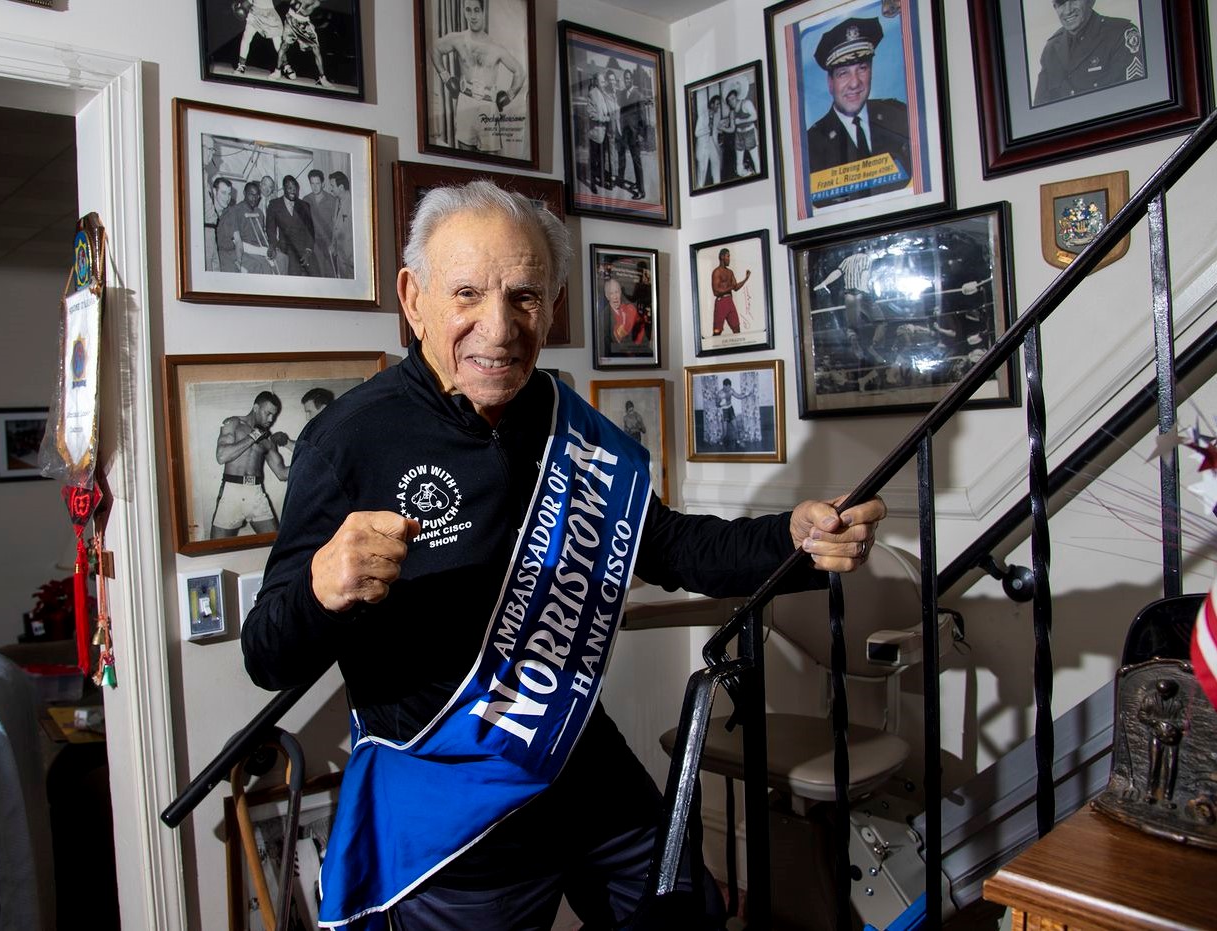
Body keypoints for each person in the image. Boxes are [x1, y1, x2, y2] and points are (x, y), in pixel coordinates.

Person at [240, 180, 886, 930]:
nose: (499, 327)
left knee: (687, 911)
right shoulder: (347, 440)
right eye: (467, 293)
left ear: (551, 307)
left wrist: (792, 540)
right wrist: (320, 591)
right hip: (453, 804)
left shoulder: (565, 421)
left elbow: (670, 545)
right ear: (414, 299)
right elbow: (267, 655)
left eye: (524, 296)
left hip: (579, 757)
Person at [805, 17, 913, 206]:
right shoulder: (811, 143)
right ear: (830, 83)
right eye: (843, 73)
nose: (855, 83)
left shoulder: (898, 114)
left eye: (862, 68)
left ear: (871, 71)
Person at [429, 0, 526, 154]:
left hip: (488, 106)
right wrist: (446, 78)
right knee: (465, 155)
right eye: (468, 10)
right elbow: (434, 48)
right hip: (465, 102)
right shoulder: (457, 39)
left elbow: (520, 72)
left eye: (476, 10)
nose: (472, 15)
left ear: (482, 12)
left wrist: (509, 96)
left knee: (491, 159)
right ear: (464, 11)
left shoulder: (496, 47)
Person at [1032, 0, 1145, 105]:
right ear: (1055, 7)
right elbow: (1041, 109)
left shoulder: (1120, 34)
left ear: (1090, 1)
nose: (1068, 10)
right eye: (1061, 3)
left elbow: (1131, 98)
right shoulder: (1051, 49)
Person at [210, 391, 290, 539]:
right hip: (231, 492)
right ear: (256, 408)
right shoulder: (233, 423)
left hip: (256, 493)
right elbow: (221, 456)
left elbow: (282, 473)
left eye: (274, 415)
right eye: (268, 413)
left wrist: (306, 464)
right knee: (216, 547)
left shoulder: (268, 439)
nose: (271, 419)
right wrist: (253, 436)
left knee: (276, 544)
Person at [266, 174, 321, 277]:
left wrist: (308, 251)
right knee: (294, 273)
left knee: (316, 275)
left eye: (295, 189)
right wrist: (272, 246)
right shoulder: (274, 205)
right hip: (287, 248)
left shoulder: (304, 206)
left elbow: (310, 231)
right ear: (284, 188)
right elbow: (270, 230)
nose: (293, 191)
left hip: (304, 249)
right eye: (289, 188)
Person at [222, 181, 276, 274]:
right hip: (245, 248)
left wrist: (269, 247)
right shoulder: (235, 210)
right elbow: (233, 240)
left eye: (257, 195)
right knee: (263, 265)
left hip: (258, 247)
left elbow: (262, 237)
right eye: (251, 194)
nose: (254, 198)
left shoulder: (259, 213)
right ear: (244, 193)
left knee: (283, 259)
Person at [276, 0, 332, 87]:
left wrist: (298, 6)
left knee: (315, 47)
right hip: (291, 19)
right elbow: (293, 5)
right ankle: (277, 71)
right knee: (284, 45)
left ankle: (322, 78)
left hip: (304, 23)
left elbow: (305, 12)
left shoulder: (316, 3)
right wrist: (294, 4)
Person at [234, 0, 286, 77]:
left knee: (277, 41)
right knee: (246, 37)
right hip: (255, 13)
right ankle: (241, 65)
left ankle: (286, 65)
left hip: (269, 13)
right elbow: (251, 1)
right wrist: (241, 5)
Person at [616, 68, 645, 199]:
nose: (626, 80)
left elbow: (642, 116)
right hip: (624, 131)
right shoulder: (622, 94)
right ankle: (627, 181)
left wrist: (640, 134)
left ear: (632, 79)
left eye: (628, 78)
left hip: (634, 133)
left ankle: (641, 191)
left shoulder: (638, 95)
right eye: (625, 78)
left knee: (636, 160)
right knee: (622, 156)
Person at [584, 74, 615, 194]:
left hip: (604, 133)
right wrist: (605, 119)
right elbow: (591, 114)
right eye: (602, 82)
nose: (604, 84)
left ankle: (601, 181)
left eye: (604, 82)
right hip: (595, 135)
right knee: (593, 161)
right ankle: (592, 184)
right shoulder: (592, 93)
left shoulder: (604, 93)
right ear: (596, 82)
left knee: (602, 160)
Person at [304, 169, 338, 277]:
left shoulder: (332, 200)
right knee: (318, 273)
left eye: (317, 183)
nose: (315, 187)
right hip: (313, 242)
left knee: (331, 273)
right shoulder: (306, 200)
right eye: (312, 183)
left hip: (328, 242)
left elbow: (336, 225)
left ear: (323, 184)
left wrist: (333, 244)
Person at [710, 247, 750, 336]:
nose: (729, 259)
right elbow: (715, 291)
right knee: (717, 331)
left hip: (730, 302)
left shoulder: (730, 272)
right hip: (721, 302)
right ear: (722, 257)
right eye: (728, 256)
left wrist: (746, 279)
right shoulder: (716, 272)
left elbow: (735, 288)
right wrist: (730, 287)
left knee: (737, 329)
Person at [604, 277, 647, 348]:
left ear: (620, 292)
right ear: (607, 296)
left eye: (617, 292)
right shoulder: (604, 317)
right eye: (611, 293)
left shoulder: (631, 308)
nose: (615, 297)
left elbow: (642, 331)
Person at [327, 170, 354, 278]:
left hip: (351, 260)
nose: (331, 189)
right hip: (341, 257)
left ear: (341, 187)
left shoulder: (353, 204)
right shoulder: (337, 201)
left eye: (332, 186)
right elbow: (336, 227)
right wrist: (333, 244)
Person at [730, 84, 760, 178]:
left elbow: (755, 116)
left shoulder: (746, 103)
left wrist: (741, 121)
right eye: (729, 100)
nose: (731, 101)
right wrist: (721, 127)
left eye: (732, 98)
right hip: (739, 135)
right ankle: (749, 174)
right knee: (739, 167)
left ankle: (760, 178)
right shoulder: (732, 112)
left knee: (756, 160)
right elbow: (732, 129)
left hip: (749, 132)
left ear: (737, 97)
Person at [205, 177, 234, 272]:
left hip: (229, 255)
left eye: (229, 194)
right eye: (223, 193)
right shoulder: (207, 216)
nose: (227, 198)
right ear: (214, 191)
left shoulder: (230, 213)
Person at [693, 93, 722, 188]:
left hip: (711, 143)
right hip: (702, 147)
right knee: (702, 171)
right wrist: (707, 129)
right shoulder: (702, 116)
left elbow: (715, 131)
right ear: (712, 104)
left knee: (716, 163)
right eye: (717, 104)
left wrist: (721, 128)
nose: (718, 106)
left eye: (719, 104)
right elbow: (697, 133)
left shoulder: (716, 117)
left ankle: (718, 185)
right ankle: (699, 189)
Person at [716, 377, 750, 449]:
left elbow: (739, 396)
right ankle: (720, 440)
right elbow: (717, 405)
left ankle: (738, 440)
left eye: (729, 387)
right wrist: (722, 404)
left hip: (730, 409)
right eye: (727, 387)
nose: (729, 389)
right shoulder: (720, 394)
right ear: (724, 386)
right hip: (724, 411)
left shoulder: (731, 390)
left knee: (736, 427)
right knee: (725, 432)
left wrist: (746, 395)